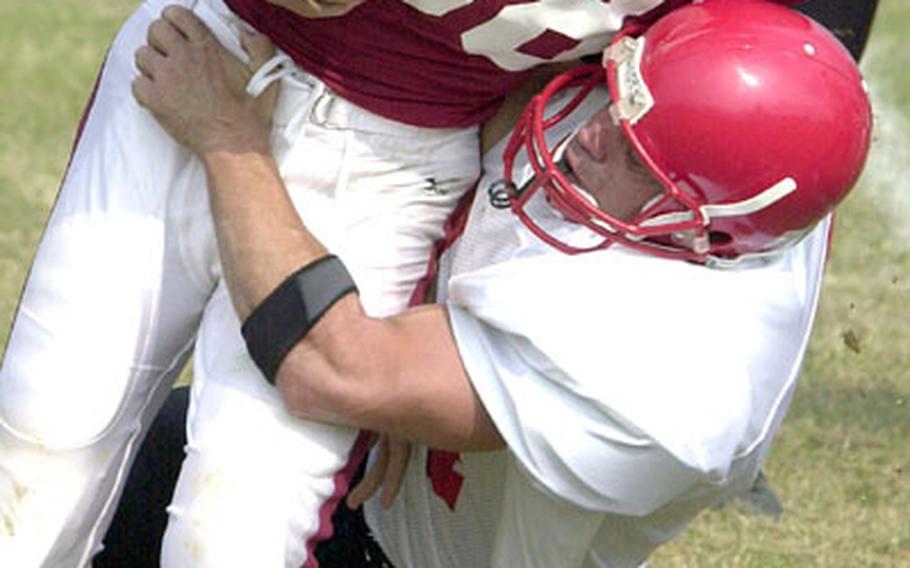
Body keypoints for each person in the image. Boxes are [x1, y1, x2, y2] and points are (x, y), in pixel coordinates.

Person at [128, 1, 873, 566]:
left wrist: (229, 141)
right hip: (386, 460)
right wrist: (415, 323)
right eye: (621, 92)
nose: (593, 129)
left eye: (636, 153)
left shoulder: (673, 390)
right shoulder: (710, 145)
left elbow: (333, 367)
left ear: (702, 225)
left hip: (404, 551)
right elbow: (516, 98)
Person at [1, 0, 738, 566]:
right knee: (42, 448)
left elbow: (571, 80)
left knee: (240, 531)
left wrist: (436, 306)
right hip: (213, 59)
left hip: (401, 168)